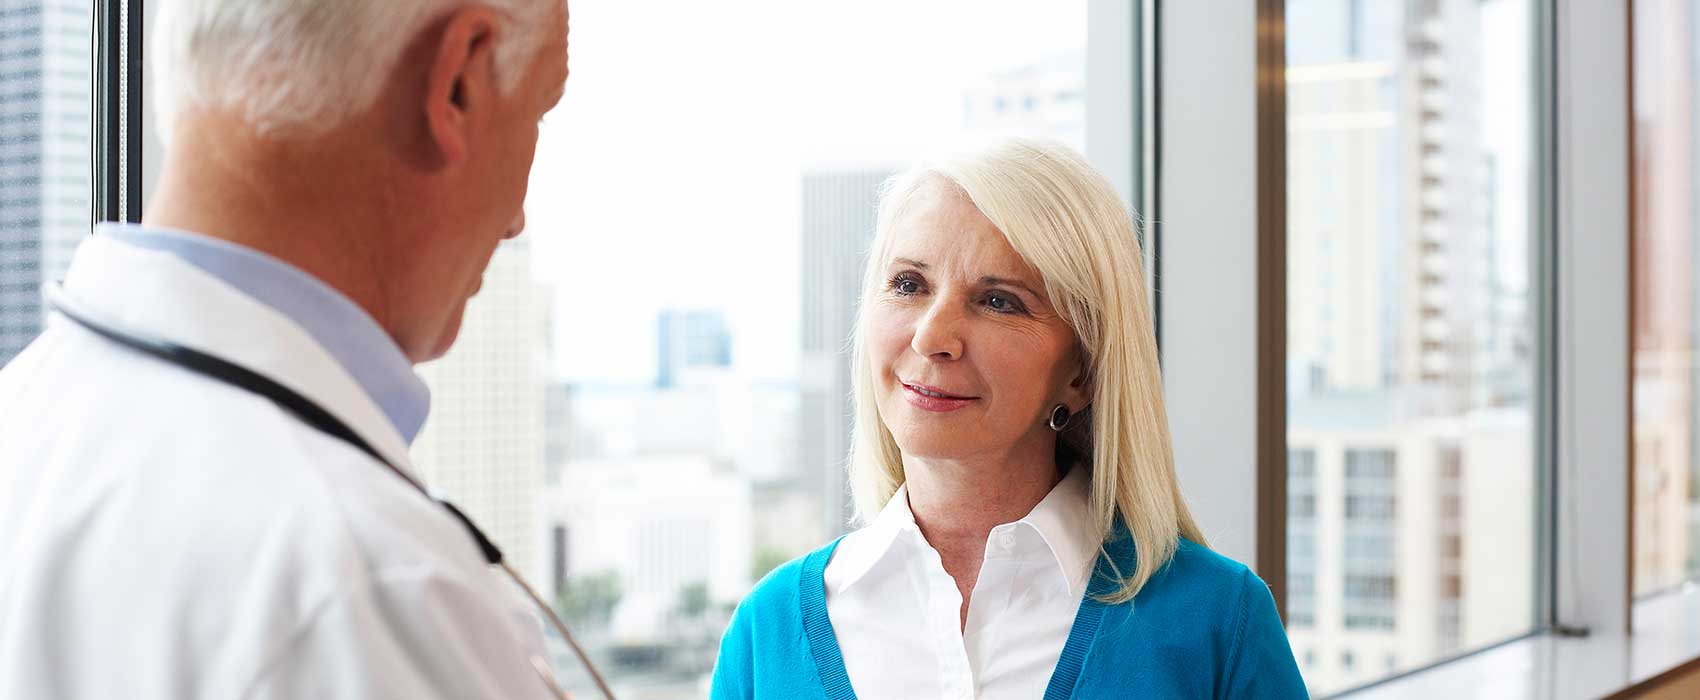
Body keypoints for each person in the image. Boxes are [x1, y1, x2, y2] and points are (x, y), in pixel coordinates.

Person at [0, 1, 577, 698]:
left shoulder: (24, 416)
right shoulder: (367, 585)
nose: (516, 220)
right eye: (539, 111)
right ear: (458, 81)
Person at [711, 138, 1308, 699]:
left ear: (1083, 371)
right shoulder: (767, 635)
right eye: (908, 284)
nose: (931, 336)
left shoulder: (1216, 624)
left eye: (998, 301)